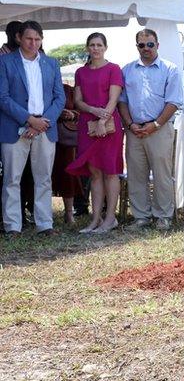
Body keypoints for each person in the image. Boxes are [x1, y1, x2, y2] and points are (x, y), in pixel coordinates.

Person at [0, 21, 66, 236]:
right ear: (19, 38)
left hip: (45, 128)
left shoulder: (51, 63)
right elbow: (3, 97)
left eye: (37, 39)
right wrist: (28, 120)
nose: (33, 43)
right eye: (29, 38)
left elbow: (59, 98)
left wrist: (41, 123)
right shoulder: (5, 62)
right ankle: (12, 226)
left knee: (44, 178)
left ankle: (45, 224)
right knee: (12, 179)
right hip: (15, 128)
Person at [118, 29, 183, 230]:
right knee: (137, 174)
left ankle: (163, 216)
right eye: (141, 45)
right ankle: (141, 217)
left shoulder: (170, 69)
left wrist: (155, 125)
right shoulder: (127, 70)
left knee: (162, 173)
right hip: (134, 130)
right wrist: (130, 124)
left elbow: (173, 101)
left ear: (158, 45)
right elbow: (122, 101)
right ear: (136, 45)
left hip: (160, 128)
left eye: (150, 44)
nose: (146, 48)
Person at [67, 33, 125, 234]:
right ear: (87, 48)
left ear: (105, 47)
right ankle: (95, 219)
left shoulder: (114, 69)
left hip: (109, 126)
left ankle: (110, 218)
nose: (95, 48)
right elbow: (78, 101)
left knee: (110, 171)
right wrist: (93, 111)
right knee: (94, 173)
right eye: (92, 45)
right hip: (86, 125)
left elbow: (113, 99)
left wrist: (102, 120)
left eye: (99, 45)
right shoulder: (81, 72)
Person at [53, 81, 82, 226]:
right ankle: (34, 211)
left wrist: (72, 114)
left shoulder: (68, 89)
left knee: (68, 174)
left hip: (66, 139)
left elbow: (80, 111)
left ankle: (69, 212)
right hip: (41, 134)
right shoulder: (38, 87)